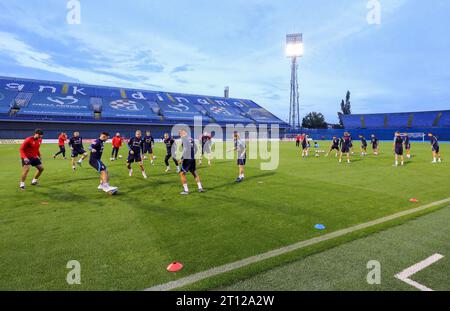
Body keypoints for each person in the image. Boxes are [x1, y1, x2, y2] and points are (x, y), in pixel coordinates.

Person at [178, 129, 204, 195]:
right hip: (192, 159)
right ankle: (200, 187)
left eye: (180, 133)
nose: (180, 135)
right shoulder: (191, 139)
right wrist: (192, 155)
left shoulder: (184, 139)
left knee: (182, 173)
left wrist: (182, 158)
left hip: (187, 159)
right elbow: (196, 148)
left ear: (184, 133)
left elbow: (185, 149)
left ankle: (186, 190)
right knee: (194, 172)